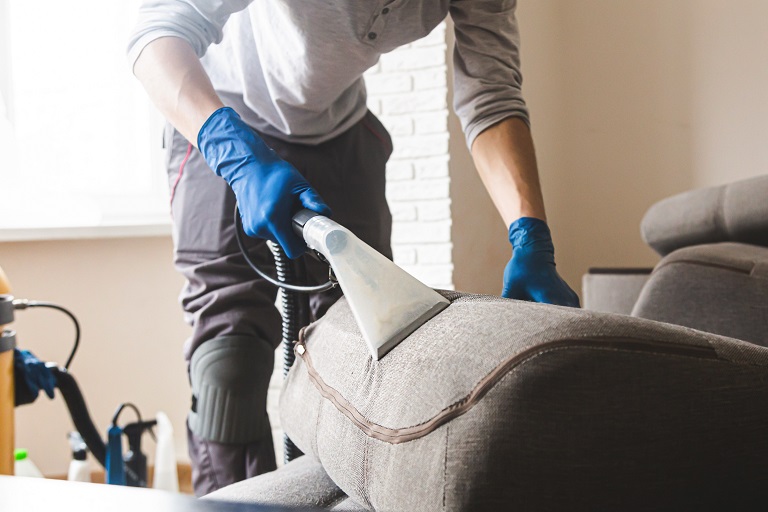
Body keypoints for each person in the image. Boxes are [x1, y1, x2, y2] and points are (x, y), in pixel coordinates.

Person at [127, 0, 579, 496]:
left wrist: (529, 232)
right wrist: (231, 151)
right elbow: (159, 30)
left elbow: (491, 92)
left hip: (341, 133)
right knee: (227, 367)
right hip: (222, 118)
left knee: (362, 351)